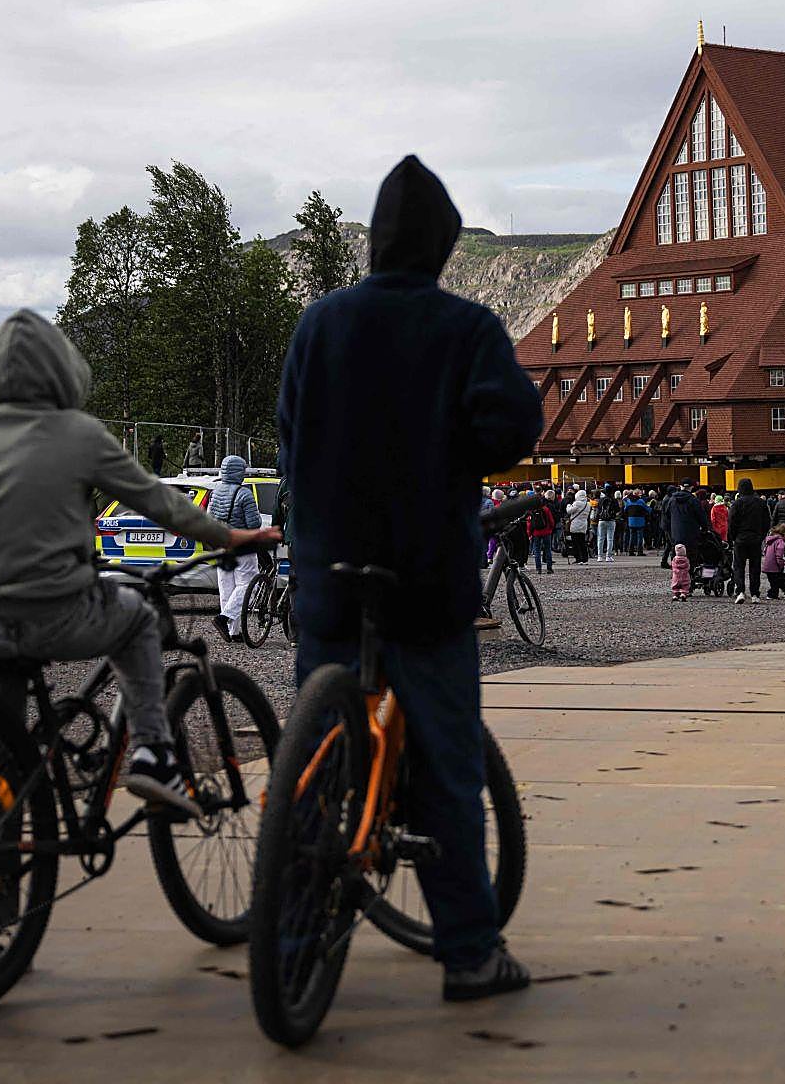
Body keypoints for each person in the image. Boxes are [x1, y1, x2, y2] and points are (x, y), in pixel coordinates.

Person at [0, 309, 278, 983]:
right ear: (59, 369)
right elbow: (161, 504)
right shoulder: (78, 433)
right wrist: (232, 540)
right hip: (50, 613)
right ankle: (154, 753)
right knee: (135, 616)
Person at [277, 155, 542, 1001]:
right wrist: (452, 451)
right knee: (445, 769)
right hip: (423, 580)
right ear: (439, 246)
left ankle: (292, 948)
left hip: (326, 579)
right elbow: (510, 428)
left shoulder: (318, 325)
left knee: (316, 765)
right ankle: (468, 951)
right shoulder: (464, 329)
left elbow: (288, 433)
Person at [210, 455, 262, 641]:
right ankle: (224, 618)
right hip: (242, 546)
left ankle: (234, 632)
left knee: (226, 587)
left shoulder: (215, 492)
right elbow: (254, 523)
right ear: (239, 472)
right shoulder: (244, 493)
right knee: (247, 585)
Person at [727, 478, 770, 603]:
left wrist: (733, 537)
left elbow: (731, 522)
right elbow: (767, 522)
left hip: (740, 539)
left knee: (739, 566)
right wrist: (761, 536)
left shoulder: (737, 503)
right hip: (755, 539)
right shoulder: (760, 503)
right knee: (754, 567)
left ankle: (740, 591)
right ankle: (755, 594)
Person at [762, 523, 785, 599]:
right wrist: (781, 564)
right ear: (784, 534)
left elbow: (765, 551)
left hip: (767, 566)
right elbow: (779, 555)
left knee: (773, 582)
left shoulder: (770, 540)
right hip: (775, 566)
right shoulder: (781, 542)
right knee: (782, 580)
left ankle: (774, 594)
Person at [525, 491, 555, 574]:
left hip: (536, 533)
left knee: (537, 551)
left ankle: (538, 568)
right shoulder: (546, 509)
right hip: (546, 532)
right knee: (548, 550)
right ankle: (549, 568)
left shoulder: (532, 510)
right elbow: (551, 520)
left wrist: (529, 534)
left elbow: (529, 524)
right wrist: (551, 529)